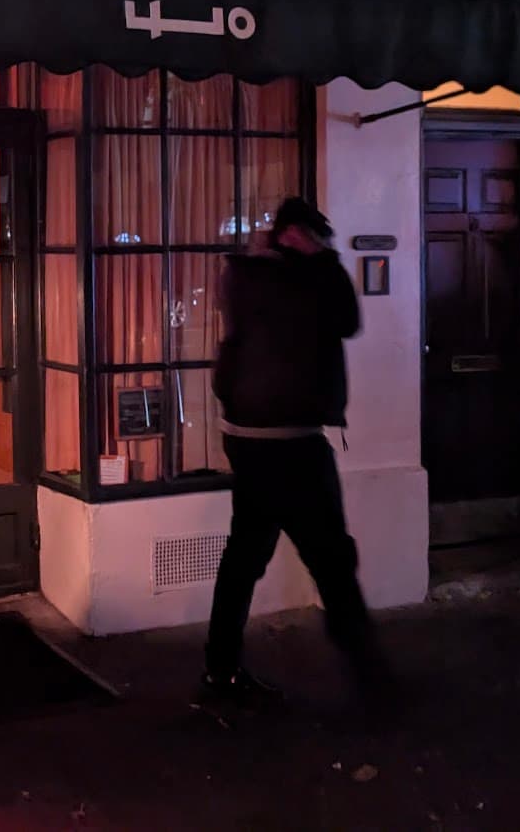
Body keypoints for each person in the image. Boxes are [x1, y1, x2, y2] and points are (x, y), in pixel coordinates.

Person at [204, 196, 384, 700]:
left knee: (243, 559)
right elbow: (347, 319)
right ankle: (371, 679)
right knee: (331, 558)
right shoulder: (300, 280)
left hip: (248, 439)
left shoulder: (243, 276)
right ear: (297, 235)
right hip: (291, 443)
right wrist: (323, 258)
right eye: (317, 238)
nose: (325, 247)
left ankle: (220, 673)